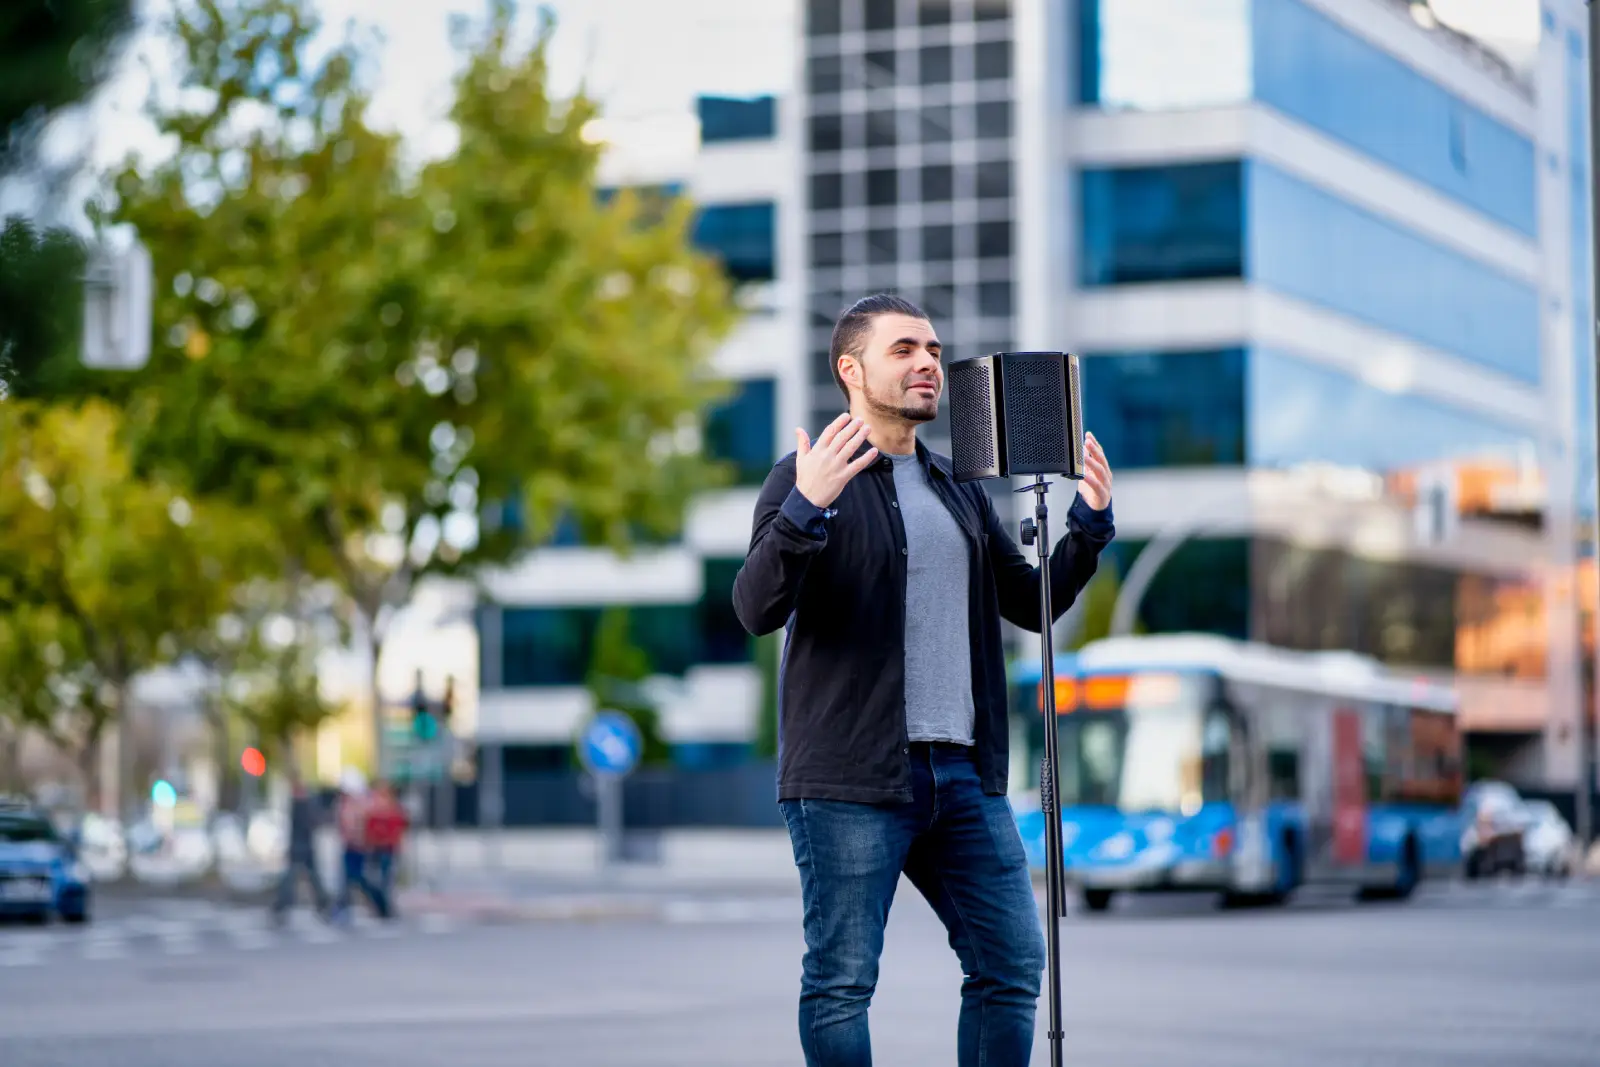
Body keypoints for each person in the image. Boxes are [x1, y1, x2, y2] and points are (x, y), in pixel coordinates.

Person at [732, 294, 1116, 1067]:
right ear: (852, 368)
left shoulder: (958, 484)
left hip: (962, 775)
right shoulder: (805, 476)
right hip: (849, 778)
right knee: (842, 983)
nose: (928, 364)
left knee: (1011, 963)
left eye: (935, 351)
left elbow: (1030, 602)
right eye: (905, 349)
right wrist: (807, 507)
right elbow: (755, 607)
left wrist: (1088, 525)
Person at [271, 771, 331, 923]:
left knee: (300, 878)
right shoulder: (300, 802)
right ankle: (284, 906)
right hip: (301, 846)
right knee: (302, 878)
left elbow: (309, 823)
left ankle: (321, 904)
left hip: (303, 846)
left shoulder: (302, 803)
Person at [332, 769, 389, 922]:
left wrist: (359, 840)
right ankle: (341, 908)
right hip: (350, 847)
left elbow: (360, 827)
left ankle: (381, 905)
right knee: (348, 879)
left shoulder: (361, 804)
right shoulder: (347, 804)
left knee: (358, 878)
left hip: (358, 848)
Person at [362, 781, 409, 916]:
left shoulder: (394, 811)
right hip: (374, 849)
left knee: (385, 880)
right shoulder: (372, 811)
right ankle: (380, 906)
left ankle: (385, 908)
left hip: (388, 849)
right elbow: (368, 830)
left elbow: (398, 830)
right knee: (371, 879)